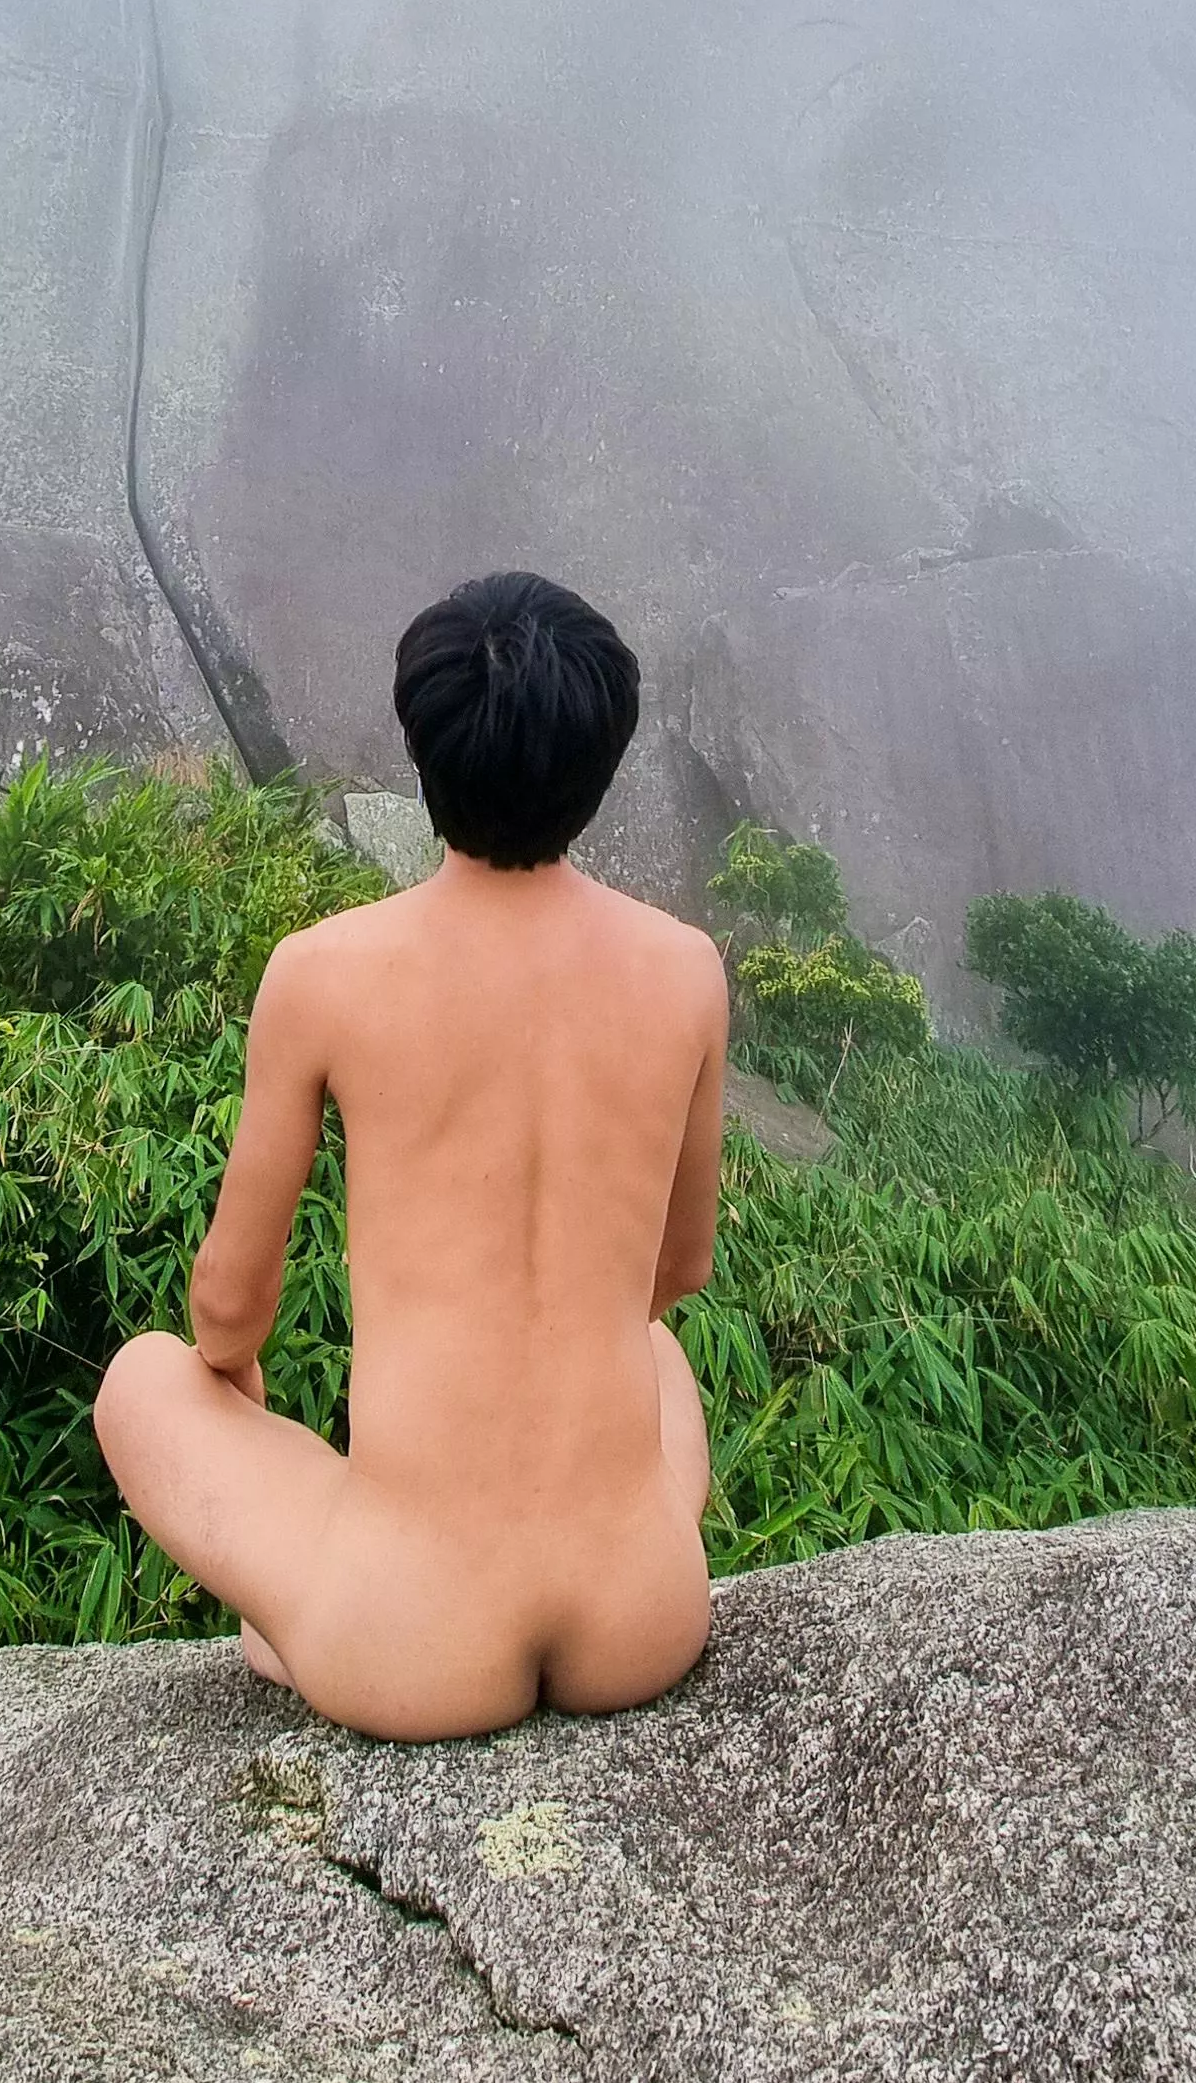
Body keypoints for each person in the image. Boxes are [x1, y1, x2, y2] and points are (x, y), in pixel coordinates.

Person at [94, 570, 728, 1740]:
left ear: (423, 751)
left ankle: (306, 1607)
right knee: (651, 1347)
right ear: (601, 760)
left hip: (410, 1644)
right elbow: (676, 1271)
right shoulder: (686, 968)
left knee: (144, 1377)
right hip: (645, 1618)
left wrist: (242, 1405)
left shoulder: (323, 972)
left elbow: (227, 1310)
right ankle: (571, 1566)